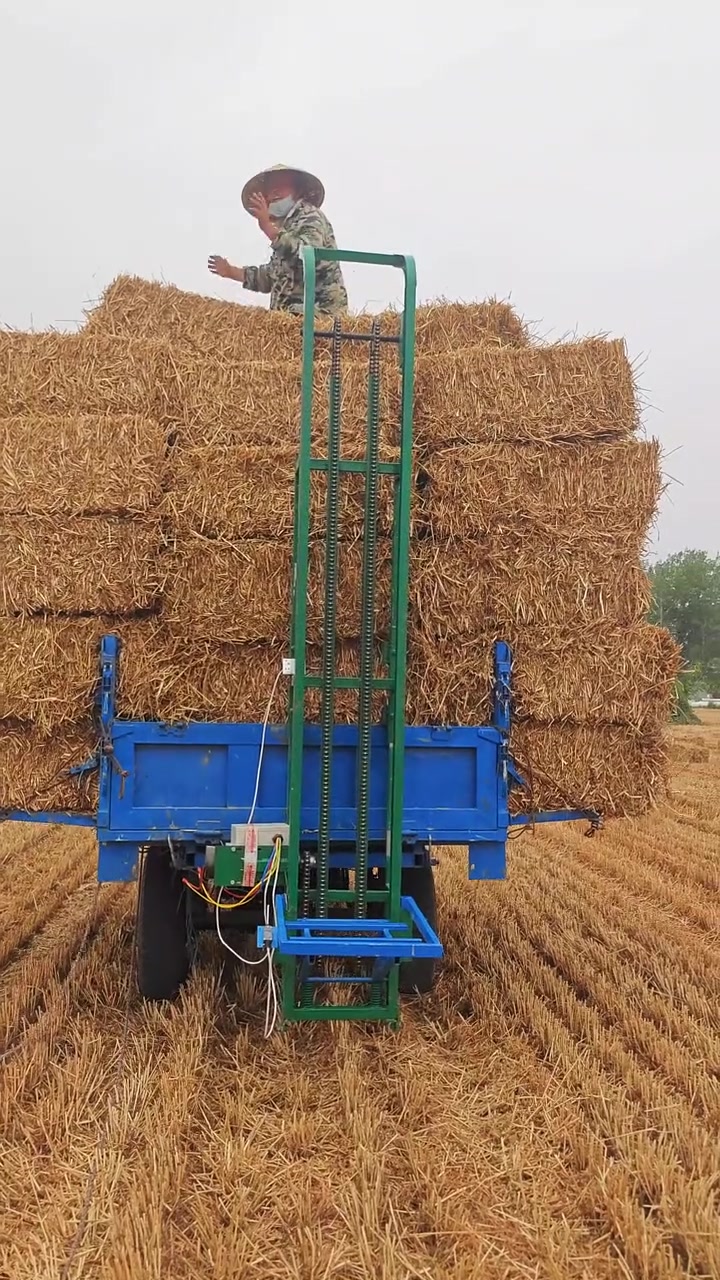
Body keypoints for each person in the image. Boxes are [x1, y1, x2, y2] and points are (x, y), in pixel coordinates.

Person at [208, 163, 348, 317]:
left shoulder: (310, 216)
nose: (273, 192)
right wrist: (230, 271)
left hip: (318, 315)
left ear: (298, 189)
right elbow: (272, 276)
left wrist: (268, 228)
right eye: (270, 187)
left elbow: (308, 255)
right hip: (287, 320)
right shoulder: (286, 227)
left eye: (281, 185)